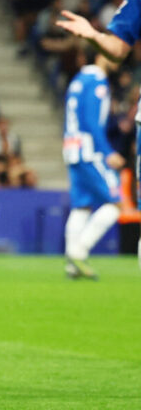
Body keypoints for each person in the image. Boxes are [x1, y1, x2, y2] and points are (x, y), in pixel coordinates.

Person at [61, 52, 123, 279]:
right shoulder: (97, 81)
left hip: (72, 147)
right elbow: (91, 120)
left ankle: (71, 264)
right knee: (115, 205)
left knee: (81, 206)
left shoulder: (78, 80)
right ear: (100, 54)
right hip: (89, 151)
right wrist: (107, 152)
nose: (119, 57)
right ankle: (79, 252)